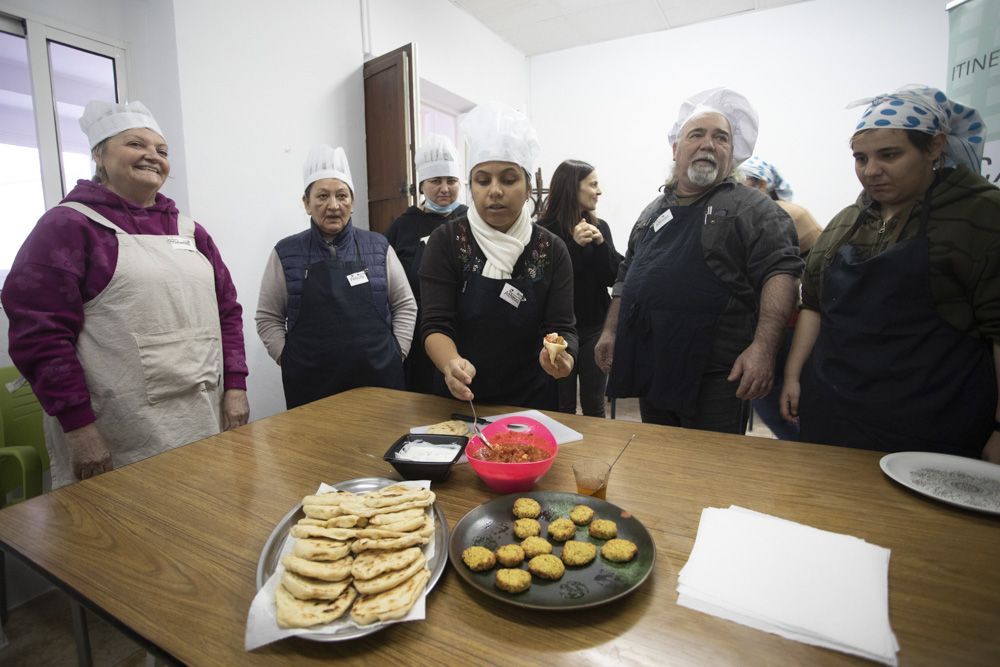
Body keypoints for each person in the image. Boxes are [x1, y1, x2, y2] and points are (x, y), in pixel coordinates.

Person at [1, 100, 249, 488]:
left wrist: (236, 387)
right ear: (99, 154)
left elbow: (227, 312)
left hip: (200, 415)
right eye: (136, 144)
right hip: (119, 429)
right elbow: (40, 334)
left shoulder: (190, 231)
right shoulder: (68, 226)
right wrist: (79, 428)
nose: (152, 156)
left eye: (162, 151)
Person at [780, 86, 1000, 462]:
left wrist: (998, 428)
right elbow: (814, 304)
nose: (871, 171)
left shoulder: (980, 216)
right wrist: (793, 376)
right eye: (860, 158)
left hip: (930, 427)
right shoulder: (846, 222)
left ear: (934, 147)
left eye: (889, 155)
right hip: (835, 417)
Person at [595, 88, 803, 433]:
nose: (709, 144)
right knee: (660, 460)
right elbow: (627, 275)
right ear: (676, 149)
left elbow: (781, 271)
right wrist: (610, 331)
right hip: (654, 365)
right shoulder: (652, 212)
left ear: (731, 154)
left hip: (718, 376)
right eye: (697, 135)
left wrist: (764, 349)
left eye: (721, 138)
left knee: (710, 475)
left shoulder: (753, 208)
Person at [420, 102, 577, 409]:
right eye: (482, 180)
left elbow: (562, 327)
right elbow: (436, 324)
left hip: (533, 398)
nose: (494, 190)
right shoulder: (447, 241)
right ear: (471, 187)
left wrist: (564, 358)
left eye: (508, 179)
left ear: (528, 186)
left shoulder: (551, 249)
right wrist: (451, 363)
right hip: (463, 396)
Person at [255, 144, 417, 408]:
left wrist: (398, 351)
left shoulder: (378, 246)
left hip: (379, 381)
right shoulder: (286, 252)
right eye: (322, 196)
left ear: (352, 203)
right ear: (306, 203)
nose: (333, 205)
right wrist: (288, 358)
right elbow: (268, 316)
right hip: (310, 386)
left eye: (342, 195)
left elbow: (405, 304)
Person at [739, 156, 822, 440]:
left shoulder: (783, 213)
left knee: (776, 403)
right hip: (770, 323)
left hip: (789, 326)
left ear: (761, 184)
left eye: (740, 183)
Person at [537, 160, 622, 417]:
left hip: (595, 327)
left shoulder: (600, 226)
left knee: (594, 402)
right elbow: (542, 283)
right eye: (593, 184)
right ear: (572, 188)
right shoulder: (544, 231)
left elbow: (613, 276)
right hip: (559, 331)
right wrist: (571, 246)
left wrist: (601, 244)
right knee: (562, 405)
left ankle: (592, 457)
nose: (599, 191)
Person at [385, 134, 468, 393]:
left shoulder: (473, 221)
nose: (445, 188)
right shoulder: (402, 227)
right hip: (419, 330)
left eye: (451, 180)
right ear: (421, 185)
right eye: (435, 181)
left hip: (466, 325)